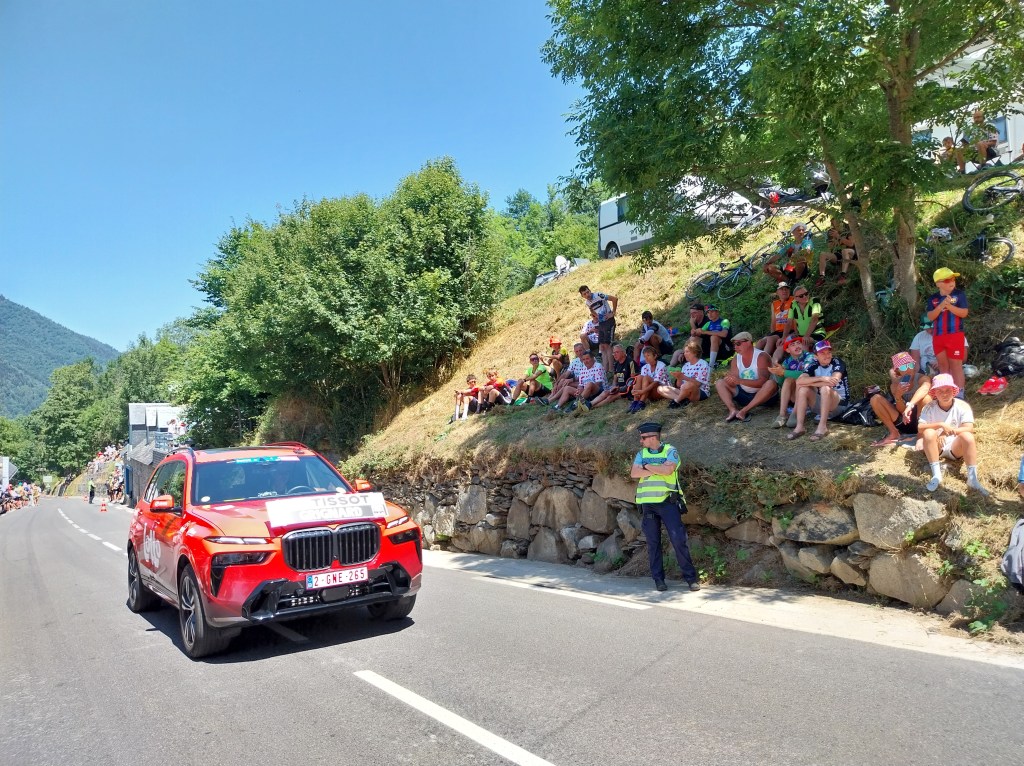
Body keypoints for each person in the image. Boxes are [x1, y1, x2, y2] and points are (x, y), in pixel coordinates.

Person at [629, 422, 700, 593]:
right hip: (648, 505)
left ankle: (691, 579)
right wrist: (657, 468)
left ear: (653, 437)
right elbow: (634, 473)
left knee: (678, 540)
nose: (641, 441)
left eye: (643, 438)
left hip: (668, 502)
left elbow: (668, 471)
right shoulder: (641, 453)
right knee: (653, 543)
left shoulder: (670, 450)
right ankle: (658, 580)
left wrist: (646, 466)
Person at [918, 373, 988, 495]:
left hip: (956, 447)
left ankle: (972, 478)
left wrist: (948, 432)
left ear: (954, 391)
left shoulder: (962, 406)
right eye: (940, 391)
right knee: (928, 433)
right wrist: (940, 425)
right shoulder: (929, 407)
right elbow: (920, 428)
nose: (944, 394)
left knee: (967, 436)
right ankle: (936, 474)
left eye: (948, 390)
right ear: (935, 393)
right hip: (937, 446)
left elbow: (969, 427)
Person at [788, 339, 849, 441]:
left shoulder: (838, 362)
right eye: (822, 353)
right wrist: (821, 378)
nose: (827, 355)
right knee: (803, 389)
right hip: (822, 405)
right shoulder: (813, 364)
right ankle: (799, 427)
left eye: (829, 352)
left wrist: (811, 382)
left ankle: (822, 427)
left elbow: (833, 381)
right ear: (816, 356)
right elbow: (799, 381)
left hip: (840, 405)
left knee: (825, 388)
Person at [869, 352, 932, 447]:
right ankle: (894, 432)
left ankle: (920, 435)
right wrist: (898, 397)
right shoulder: (895, 386)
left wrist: (910, 405)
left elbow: (925, 388)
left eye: (910, 365)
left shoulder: (922, 378)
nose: (908, 369)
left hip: (922, 420)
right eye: (903, 367)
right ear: (897, 370)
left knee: (926, 398)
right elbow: (902, 411)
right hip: (905, 421)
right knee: (875, 399)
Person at [926, 267, 969, 396]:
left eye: (953, 279)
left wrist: (949, 306)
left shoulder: (959, 295)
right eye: (947, 280)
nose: (952, 282)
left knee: (956, 365)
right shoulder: (933, 298)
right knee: (943, 366)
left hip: (955, 334)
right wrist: (941, 306)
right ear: (938, 283)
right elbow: (930, 316)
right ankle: (945, 394)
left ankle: (960, 395)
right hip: (938, 336)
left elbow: (964, 313)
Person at [716, 331, 776, 422]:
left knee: (771, 384)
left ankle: (744, 410)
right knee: (720, 383)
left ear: (748, 342)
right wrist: (730, 379)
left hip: (763, 397)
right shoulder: (736, 358)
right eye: (734, 344)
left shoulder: (761, 356)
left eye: (738, 344)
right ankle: (732, 410)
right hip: (744, 394)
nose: (735, 347)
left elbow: (762, 382)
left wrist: (740, 381)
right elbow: (734, 379)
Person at [766, 335, 815, 428]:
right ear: (788, 350)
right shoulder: (787, 361)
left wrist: (784, 372)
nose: (797, 346)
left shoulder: (809, 356)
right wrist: (778, 374)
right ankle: (782, 415)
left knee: (799, 379)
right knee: (788, 380)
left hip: (809, 393)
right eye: (793, 344)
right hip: (794, 396)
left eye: (798, 343)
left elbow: (806, 374)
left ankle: (795, 414)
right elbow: (781, 383)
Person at [630, 346, 679, 413]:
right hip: (649, 392)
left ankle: (642, 402)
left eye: (648, 355)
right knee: (639, 377)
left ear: (655, 356)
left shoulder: (661, 365)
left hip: (661, 391)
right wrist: (635, 389)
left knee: (646, 378)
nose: (646, 358)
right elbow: (641, 381)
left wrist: (643, 391)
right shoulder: (644, 367)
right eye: (645, 356)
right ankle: (635, 402)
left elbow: (656, 382)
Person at [578, 285, 618, 365]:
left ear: (590, 290)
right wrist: (598, 317)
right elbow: (591, 310)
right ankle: (606, 367)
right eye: (584, 294)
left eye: (588, 292)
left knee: (608, 345)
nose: (587, 295)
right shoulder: (587, 302)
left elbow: (614, 299)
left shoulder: (598, 295)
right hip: (602, 323)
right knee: (603, 346)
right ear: (582, 296)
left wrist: (613, 312)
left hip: (609, 321)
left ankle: (612, 366)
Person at [591, 343, 638, 408]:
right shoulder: (616, 364)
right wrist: (613, 386)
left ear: (623, 352)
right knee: (605, 392)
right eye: (613, 353)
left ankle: (591, 407)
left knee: (610, 397)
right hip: (619, 388)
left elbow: (633, 380)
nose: (614, 355)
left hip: (628, 390)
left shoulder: (630, 362)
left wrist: (621, 388)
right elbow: (615, 379)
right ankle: (589, 404)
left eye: (617, 352)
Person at [815, 217, 857, 288]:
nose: (837, 223)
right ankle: (822, 277)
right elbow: (831, 247)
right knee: (823, 254)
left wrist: (838, 236)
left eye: (839, 220)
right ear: (832, 222)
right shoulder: (831, 231)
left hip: (851, 252)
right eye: (835, 222)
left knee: (845, 251)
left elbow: (851, 244)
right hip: (838, 254)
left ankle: (843, 275)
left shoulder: (848, 227)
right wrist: (835, 239)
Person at [668, 340, 710, 409]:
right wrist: (679, 377)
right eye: (684, 352)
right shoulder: (685, 366)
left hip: (699, 392)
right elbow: (679, 386)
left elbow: (697, 384)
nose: (684, 354)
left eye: (687, 352)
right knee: (662, 388)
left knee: (688, 384)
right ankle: (684, 399)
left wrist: (684, 377)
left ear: (695, 353)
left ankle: (677, 401)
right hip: (685, 391)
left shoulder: (703, 364)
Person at [755, 282, 793, 359]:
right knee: (762, 341)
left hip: (790, 330)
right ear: (777, 292)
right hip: (778, 331)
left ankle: (764, 361)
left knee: (773, 341)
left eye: (786, 289)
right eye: (782, 289)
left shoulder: (794, 300)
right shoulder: (774, 304)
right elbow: (773, 320)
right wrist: (772, 333)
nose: (784, 291)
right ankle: (753, 359)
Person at [784, 286, 824, 357]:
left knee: (804, 342)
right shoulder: (793, 304)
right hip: (801, 336)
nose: (805, 296)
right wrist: (783, 337)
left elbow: (815, 319)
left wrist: (806, 335)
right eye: (801, 296)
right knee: (783, 344)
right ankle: (774, 362)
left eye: (806, 294)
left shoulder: (814, 301)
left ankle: (805, 364)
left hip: (816, 333)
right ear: (796, 298)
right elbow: (789, 322)